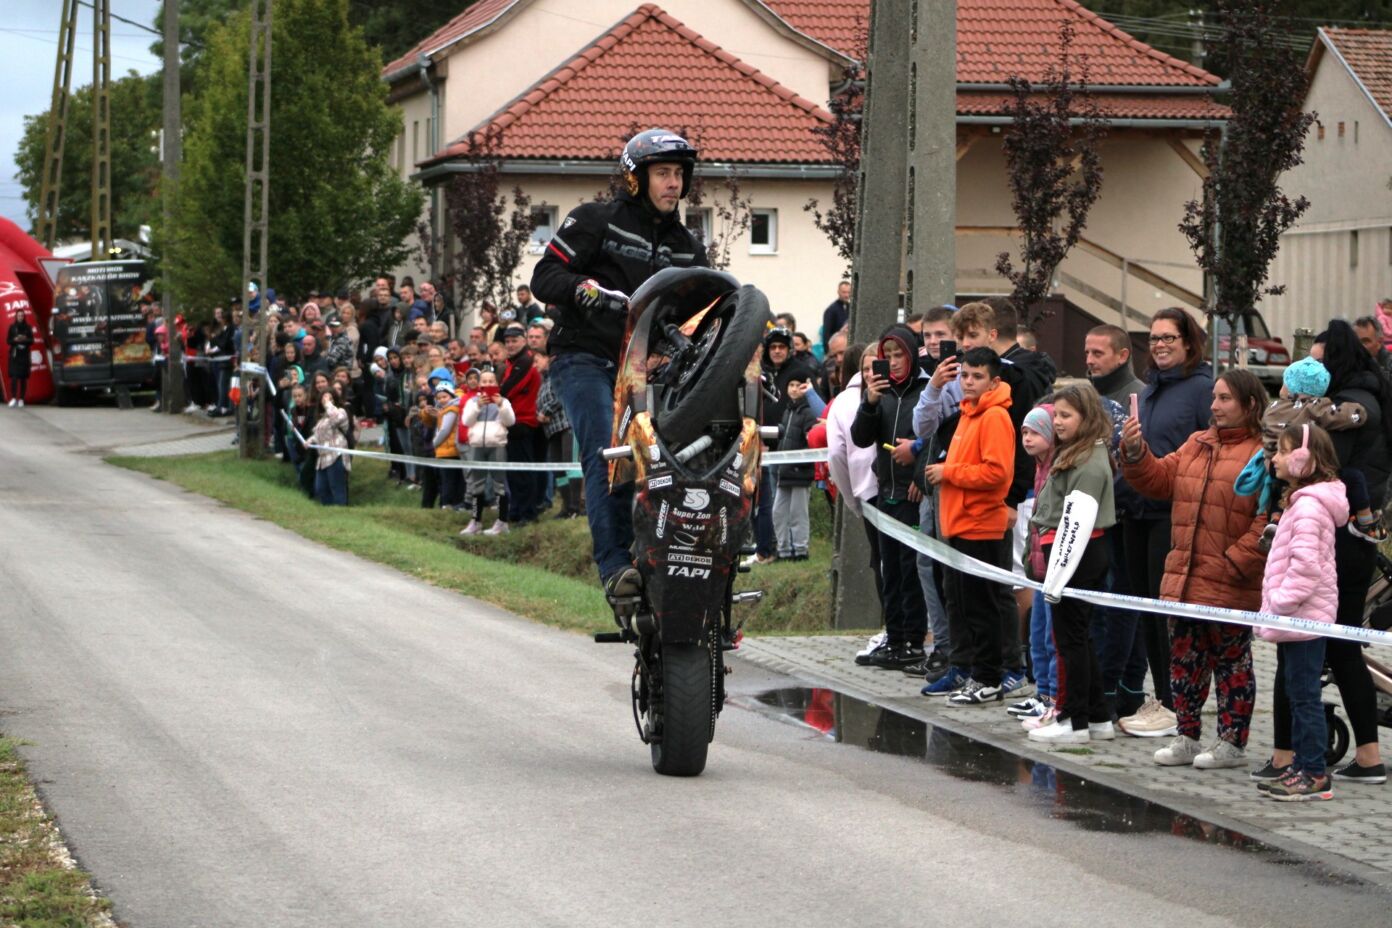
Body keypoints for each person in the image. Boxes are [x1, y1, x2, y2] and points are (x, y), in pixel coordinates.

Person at [530, 128, 709, 605]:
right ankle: (613, 566)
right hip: (584, 357)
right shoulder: (595, 220)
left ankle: (677, 555)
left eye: (678, 175)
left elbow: (705, 311)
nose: (673, 183)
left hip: (648, 369)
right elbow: (544, 276)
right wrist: (583, 290)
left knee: (675, 459)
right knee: (607, 449)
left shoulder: (689, 248)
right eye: (662, 174)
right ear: (636, 178)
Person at [1121, 368, 1268, 769]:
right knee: (1184, 663)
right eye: (1214, 398)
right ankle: (1187, 736)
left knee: (1231, 665)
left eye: (1225, 399)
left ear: (1250, 404)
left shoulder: (1263, 452)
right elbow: (1158, 480)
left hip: (1229, 581)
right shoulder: (1196, 444)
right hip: (1184, 578)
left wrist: (1235, 562)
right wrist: (1135, 453)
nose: (1215, 406)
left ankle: (1232, 743)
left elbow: (1267, 518)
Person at [1269, 322, 1389, 784]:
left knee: (1304, 645)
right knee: (1342, 650)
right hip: (1349, 537)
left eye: (1319, 362)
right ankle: (1367, 755)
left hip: (1330, 538)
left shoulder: (1346, 410)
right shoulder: (1369, 398)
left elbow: (1312, 459)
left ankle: (1291, 757)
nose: (1311, 371)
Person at [1115, 308, 1214, 739]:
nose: (1159, 345)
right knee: (1145, 610)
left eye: (1168, 338)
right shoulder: (1151, 391)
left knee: (1167, 614)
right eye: (1153, 339)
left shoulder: (1202, 390)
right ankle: (1162, 698)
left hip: (1173, 517)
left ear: (1189, 343)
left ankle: (1178, 704)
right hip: (1136, 512)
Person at [1252, 423, 1343, 801]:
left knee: (1304, 696)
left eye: (1283, 450)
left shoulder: (1308, 506)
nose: (1274, 458)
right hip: (1297, 617)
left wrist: (1280, 604)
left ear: (1304, 458)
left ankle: (1314, 772)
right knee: (1295, 691)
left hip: (1302, 616)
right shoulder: (1301, 501)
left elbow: (1306, 567)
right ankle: (1302, 765)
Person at [920, 347, 1016, 705]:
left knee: (982, 606)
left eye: (977, 377)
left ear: (994, 381)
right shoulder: (967, 413)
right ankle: (978, 673)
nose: (969, 382)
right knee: (964, 604)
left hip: (982, 526)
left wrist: (949, 473)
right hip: (960, 525)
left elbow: (996, 473)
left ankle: (989, 679)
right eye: (965, 376)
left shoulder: (994, 417)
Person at [1026, 383, 1117, 744]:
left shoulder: (1089, 462)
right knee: (1077, 637)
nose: (1058, 422)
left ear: (1087, 417)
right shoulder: (1074, 452)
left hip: (1076, 553)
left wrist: (1057, 574)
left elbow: (1074, 525)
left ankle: (1073, 720)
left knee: (1069, 640)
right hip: (1067, 551)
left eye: (1066, 415)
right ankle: (1097, 717)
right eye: (1057, 414)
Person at [827, 344, 884, 657]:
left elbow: (836, 454)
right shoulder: (857, 401)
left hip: (869, 491)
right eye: (866, 369)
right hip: (881, 491)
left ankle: (898, 632)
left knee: (885, 563)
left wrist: (851, 500)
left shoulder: (842, 402)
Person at [1011, 404, 1058, 726]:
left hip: (1055, 567)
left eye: (1035, 433)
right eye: (1024, 433)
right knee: (1038, 633)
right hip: (1039, 567)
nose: (1027, 439)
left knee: (1052, 635)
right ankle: (1041, 691)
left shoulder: (1057, 469)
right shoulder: (1038, 468)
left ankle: (1054, 695)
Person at [497, 323, 544, 524]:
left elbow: (508, 389)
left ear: (524, 341)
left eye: (514, 340)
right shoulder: (515, 362)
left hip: (523, 422)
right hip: (514, 422)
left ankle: (527, 512)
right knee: (515, 471)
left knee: (523, 471)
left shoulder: (524, 361)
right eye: (507, 341)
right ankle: (517, 510)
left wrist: (495, 395)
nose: (510, 344)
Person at [459, 370, 516, 536]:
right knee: (476, 485)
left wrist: (501, 406)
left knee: (500, 484)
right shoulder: (472, 401)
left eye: (491, 381)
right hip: (477, 445)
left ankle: (502, 522)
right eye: (484, 381)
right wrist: (478, 406)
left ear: (496, 384)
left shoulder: (503, 401)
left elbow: (511, 421)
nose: (488, 384)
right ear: (479, 384)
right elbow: (466, 421)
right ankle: (475, 521)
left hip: (497, 445)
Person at [775, 376, 817, 560]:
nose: (794, 389)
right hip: (784, 470)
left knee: (798, 513)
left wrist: (802, 463)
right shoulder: (787, 411)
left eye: (798, 386)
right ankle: (783, 549)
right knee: (778, 512)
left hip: (800, 470)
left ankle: (801, 551)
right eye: (790, 385)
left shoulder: (808, 413)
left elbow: (812, 441)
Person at [311, 386, 351, 506]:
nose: (327, 401)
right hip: (323, 458)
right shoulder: (321, 418)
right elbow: (319, 435)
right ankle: (329, 512)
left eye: (330, 399)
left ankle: (340, 513)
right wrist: (309, 441)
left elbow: (337, 419)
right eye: (324, 399)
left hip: (336, 455)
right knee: (321, 488)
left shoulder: (341, 412)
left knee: (337, 488)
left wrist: (328, 403)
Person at [6, 307, 34, 407]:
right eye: (19, 316)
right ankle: (13, 398)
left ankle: (21, 399)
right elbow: (8, 341)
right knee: (14, 377)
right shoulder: (12, 327)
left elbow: (32, 341)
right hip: (15, 355)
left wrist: (24, 339)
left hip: (24, 355)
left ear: (24, 316)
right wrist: (16, 340)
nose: (20, 317)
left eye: (22, 316)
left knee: (23, 378)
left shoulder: (28, 327)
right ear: (16, 316)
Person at [822, 281, 851, 353]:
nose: (847, 295)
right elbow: (826, 334)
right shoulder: (831, 310)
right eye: (844, 292)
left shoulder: (851, 308)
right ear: (838, 292)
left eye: (849, 292)